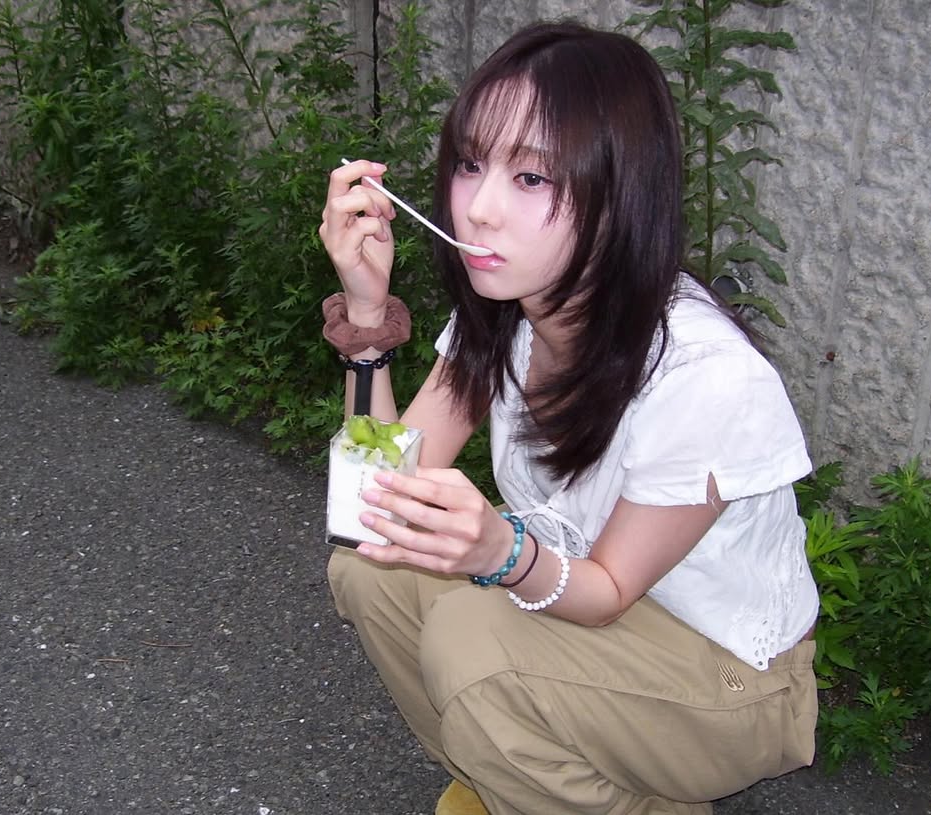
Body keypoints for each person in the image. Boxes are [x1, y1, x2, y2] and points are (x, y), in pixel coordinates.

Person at [317, 20, 818, 815]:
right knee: (371, 567)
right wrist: (369, 317)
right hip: (591, 607)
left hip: (727, 677)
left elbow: (609, 589)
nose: (480, 210)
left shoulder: (703, 376)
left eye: (530, 177)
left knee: (475, 646)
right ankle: (511, 779)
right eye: (472, 163)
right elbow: (369, 506)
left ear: (619, 192)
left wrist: (499, 550)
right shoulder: (510, 311)